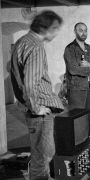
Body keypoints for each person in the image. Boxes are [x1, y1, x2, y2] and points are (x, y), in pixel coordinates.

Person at [10, 10, 64, 180]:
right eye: (55, 28)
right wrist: (36, 107)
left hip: (33, 106)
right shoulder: (35, 46)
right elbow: (30, 82)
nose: (56, 32)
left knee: (41, 153)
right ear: (44, 27)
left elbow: (13, 71)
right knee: (42, 156)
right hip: (40, 108)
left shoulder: (22, 41)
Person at [64, 22, 90, 122]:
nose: (83, 33)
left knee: (89, 117)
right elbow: (73, 69)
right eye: (80, 30)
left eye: (85, 30)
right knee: (77, 118)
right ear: (75, 31)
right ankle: (76, 138)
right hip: (76, 88)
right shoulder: (70, 49)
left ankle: (87, 137)